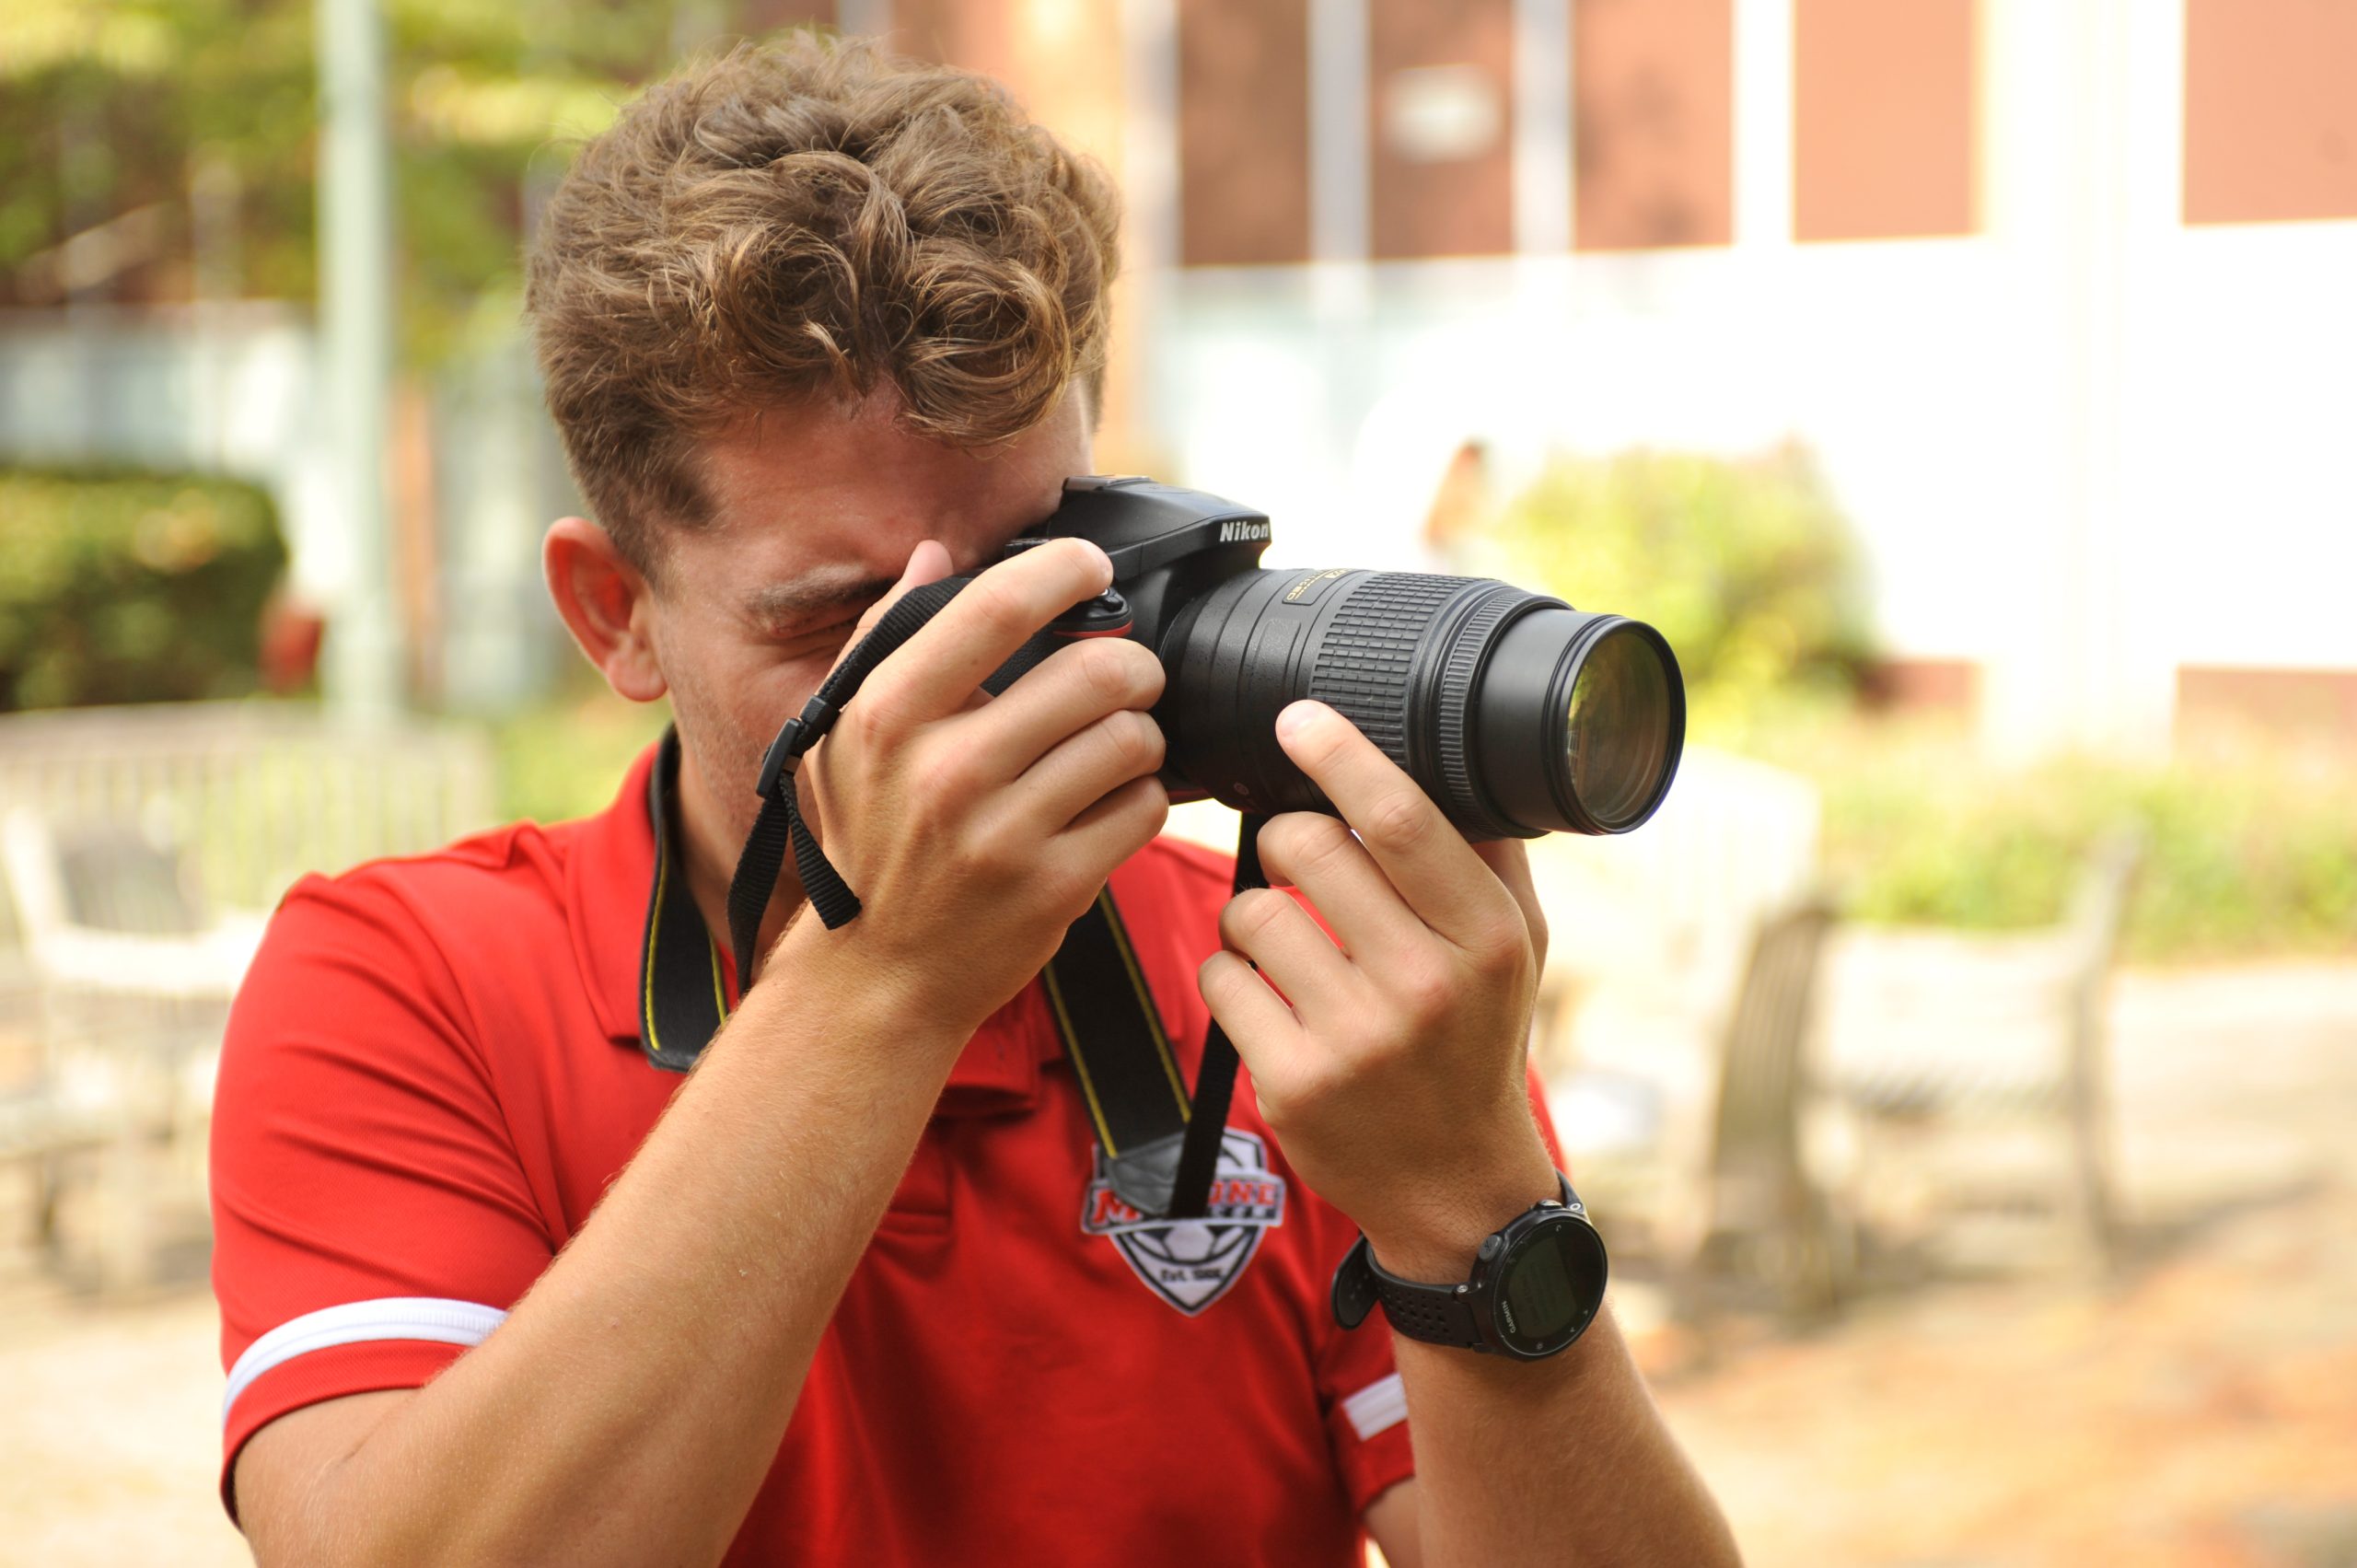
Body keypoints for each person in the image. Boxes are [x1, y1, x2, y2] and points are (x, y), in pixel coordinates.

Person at [210, 33, 1740, 1568]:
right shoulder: (410, 982)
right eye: (836, 620)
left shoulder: (1290, 997)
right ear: (614, 614)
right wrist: (883, 982)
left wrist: (1469, 1203)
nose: (967, 680)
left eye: (1035, 584)